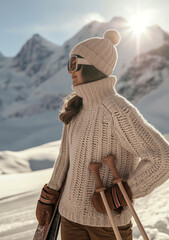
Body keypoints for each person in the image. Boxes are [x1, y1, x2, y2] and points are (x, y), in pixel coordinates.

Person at [36, 29, 169, 240]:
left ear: (94, 66)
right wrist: (48, 197)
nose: (70, 71)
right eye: (68, 64)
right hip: (69, 219)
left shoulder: (117, 110)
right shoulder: (76, 108)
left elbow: (162, 158)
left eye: (74, 64)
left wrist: (119, 196)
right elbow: (64, 159)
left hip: (107, 226)